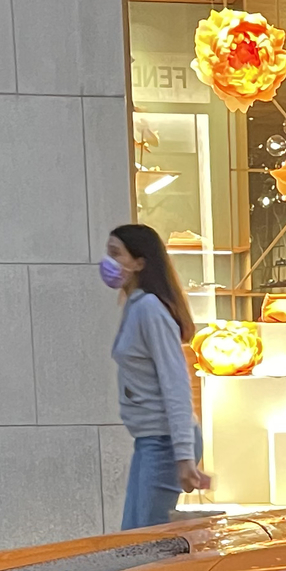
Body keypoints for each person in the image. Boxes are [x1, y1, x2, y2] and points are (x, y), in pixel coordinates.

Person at [104, 223, 209, 529]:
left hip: (164, 441)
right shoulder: (136, 307)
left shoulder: (149, 309)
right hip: (151, 439)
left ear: (139, 262)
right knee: (133, 539)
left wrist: (184, 456)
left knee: (143, 542)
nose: (108, 262)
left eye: (115, 254)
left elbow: (175, 384)